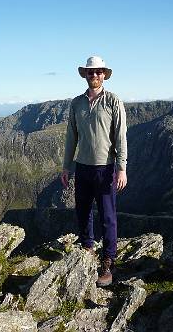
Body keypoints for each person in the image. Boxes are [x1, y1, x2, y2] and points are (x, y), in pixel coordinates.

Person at [61, 55, 127, 286]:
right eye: (91, 72)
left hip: (106, 168)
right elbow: (72, 137)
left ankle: (108, 260)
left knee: (108, 216)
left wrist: (122, 168)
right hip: (83, 167)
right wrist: (66, 166)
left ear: (104, 75)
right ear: (85, 75)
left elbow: (120, 136)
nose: (95, 75)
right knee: (83, 211)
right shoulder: (76, 103)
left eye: (98, 72)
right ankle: (88, 247)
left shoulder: (112, 101)